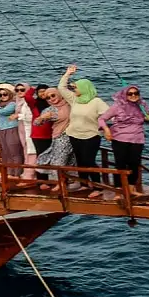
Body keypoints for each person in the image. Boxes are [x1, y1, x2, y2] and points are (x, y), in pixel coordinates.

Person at [58, 64, 110, 197]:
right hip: (74, 135)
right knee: (80, 161)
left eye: (76, 88)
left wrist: (105, 127)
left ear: (84, 88)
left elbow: (109, 115)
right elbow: (61, 88)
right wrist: (67, 74)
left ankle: (97, 186)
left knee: (89, 161)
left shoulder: (97, 102)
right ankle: (84, 184)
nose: (74, 89)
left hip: (91, 136)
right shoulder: (75, 99)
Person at [99, 84, 149, 195]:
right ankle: (119, 190)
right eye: (130, 94)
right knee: (120, 164)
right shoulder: (118, 106)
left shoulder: (142, 105)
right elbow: (101, 119)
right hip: (120, 138)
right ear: (125, 95)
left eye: (136, 93)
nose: (133, 95)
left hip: (137, 139)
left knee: (134, 164)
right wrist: (107, 130)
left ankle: (131, 189)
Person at [34, 85, 72, 188]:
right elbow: (36, 123)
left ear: (59, 94)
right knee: (58, 161)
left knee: (70, 160)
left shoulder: (70, 104)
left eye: (53, 95)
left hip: (74, 136)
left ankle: (72, 182)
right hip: (60, 137)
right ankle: (60, 183)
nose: (51, 99)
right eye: (48, 98)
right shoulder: (50, 110)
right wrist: (42, 118)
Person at [0, 84, 23, 174]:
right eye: (0, 95)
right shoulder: (0, 105)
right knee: (5, 152)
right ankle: (9, 172)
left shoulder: (13, 104)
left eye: (5, 94)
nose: (2, 96)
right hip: (2, 131)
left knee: (14, 152)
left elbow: (3, 112)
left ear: (9, 94)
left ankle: (17, 173)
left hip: (12, 129)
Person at [24, 84, 53, 157]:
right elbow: (27, 97)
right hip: (38, 135)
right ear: (37, 93)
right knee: (41, 156)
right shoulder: (34, 104)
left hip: (51, 134)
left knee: (51, 156)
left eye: (45, 91)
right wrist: (33, 89)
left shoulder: (52, 102)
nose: (43, 93)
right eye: (40, 92)